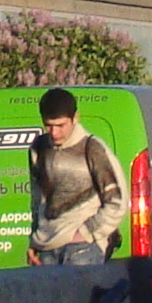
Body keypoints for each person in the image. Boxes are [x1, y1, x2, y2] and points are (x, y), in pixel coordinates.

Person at [28, 88, 127, 265]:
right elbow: (38, 200)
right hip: (46, 247)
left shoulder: (92, 148)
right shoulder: (39, 148)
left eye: (61, 125)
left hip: (82, 248)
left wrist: (85, 233)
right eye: (48, 125)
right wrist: (34, 241)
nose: (54, 132)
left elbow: (117, 200)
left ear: (75, 118)